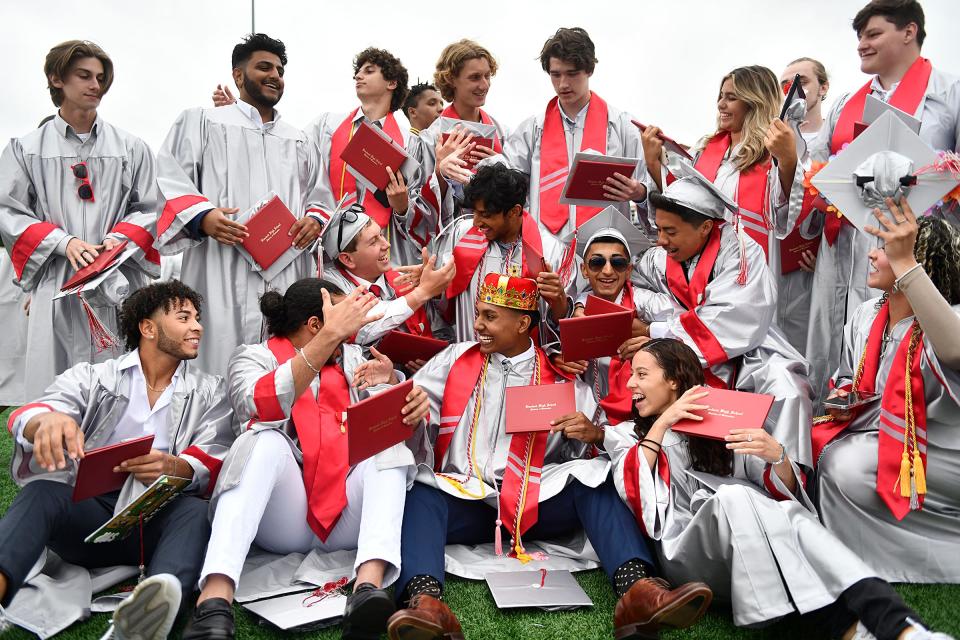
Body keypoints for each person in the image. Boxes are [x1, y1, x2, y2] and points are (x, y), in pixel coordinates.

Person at [387, 272, 712, 640]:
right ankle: (427, 604)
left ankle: (638, 591)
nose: (478, 325)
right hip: (472, 496)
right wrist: (403, 395)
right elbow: (416, 407)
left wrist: (587, 432)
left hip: (535, 501)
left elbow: (591, 437)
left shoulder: (560, 374)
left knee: (595, 479)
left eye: (490, 317)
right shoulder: (455, 360)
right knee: (422, 492)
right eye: (478, 314)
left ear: (523, 323)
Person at [610, 337, 953, 640]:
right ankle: (828, 620)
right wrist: (665, 422)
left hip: (750, 540)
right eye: (631, 375)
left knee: (791, 515)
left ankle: (903, 628)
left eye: (641, 374)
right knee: (734, 495)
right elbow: (635, 496)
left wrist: (778, 457)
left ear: (673, 381)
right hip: (689, 557)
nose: (631, 385)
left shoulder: (719, 423)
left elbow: (779, 488)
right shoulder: (627, 435)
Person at [182, 279, 431, 640]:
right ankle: (214, 601)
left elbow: (386, 433)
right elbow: (258, 405)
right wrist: (325, 343)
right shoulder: (252, 357)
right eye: (345, 317)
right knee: (262, 440)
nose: (355, 327)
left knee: (389, 446)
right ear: (317, 325)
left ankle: (368, 590)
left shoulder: (355, 359)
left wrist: (397, 391)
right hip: (284, 517)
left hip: (346, 514)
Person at [0, 280, 236, 639]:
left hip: (157, 517)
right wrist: (44, 421)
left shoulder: (210, 390)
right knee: (43, 493)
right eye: (184, 317)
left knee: (194, 512)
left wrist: (177, 466)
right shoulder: (95, 377)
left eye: (197, 318)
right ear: (148, 328)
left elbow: (218, 449)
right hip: (89, 517)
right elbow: (31, 412)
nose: (197, 326)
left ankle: (151, 612)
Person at [803, 0, 960, 406]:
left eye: (873, 34)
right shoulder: (844, 104)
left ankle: (894, 430)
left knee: (903, 348)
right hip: (845, 247)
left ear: (909, 31)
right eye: (859, 37)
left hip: (913, 249)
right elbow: (817, 169)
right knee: (834, 344)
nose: (862, 45)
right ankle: (833, 427)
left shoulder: (950, 95)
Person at [156, 33, 329, 377]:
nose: (274, 76)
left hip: (285, 266)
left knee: (282, 359)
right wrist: (203, 217)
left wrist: (313, 219)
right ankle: (209, 430)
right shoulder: (202, 122)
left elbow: (320, 195)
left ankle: (278, 428)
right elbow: (168, 177)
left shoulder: (299, 139)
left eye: (280, 70)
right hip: (221, 262)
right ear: (238, 75)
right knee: (217, 355)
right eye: (263, 66)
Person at [0, 40, 161, 399]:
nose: (95, 86)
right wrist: (63, 242)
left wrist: (118, 240)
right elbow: (7, 210)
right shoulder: (26, 149)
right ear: (57, 79)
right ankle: (55, 455)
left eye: (101, 78)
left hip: (116, 280)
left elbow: (151, 206)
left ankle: (113, 456)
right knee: (55, 387)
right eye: (84, 76)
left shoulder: (131, 147)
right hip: (58, 282)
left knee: (118, 383)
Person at [815, 198, 960, 584]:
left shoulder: (949, 319)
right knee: (811, 446)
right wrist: (843, 398)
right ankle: (833, 544)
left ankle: (928, 556)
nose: (872, 255)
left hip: (941, 451)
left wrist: (904, 261)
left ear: (918, 262)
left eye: (885, 250)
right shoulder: (867, 314)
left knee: (843, 463)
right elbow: (847, 375)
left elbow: (955, 351)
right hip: (877, 436)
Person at [631, 169, 813, 466]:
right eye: (659, 229)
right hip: (682, 346)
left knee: (787, 389)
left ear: (705, 228)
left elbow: (732, 318)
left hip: (749, 351)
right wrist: (667, 312)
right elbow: (635, 287)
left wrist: (656, 330)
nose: (661, 240)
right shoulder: (662, 257)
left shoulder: (740, 252)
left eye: (670, 231)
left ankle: (785, 482)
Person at [641, 65, 804, 263]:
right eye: (721, 96)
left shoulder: (772, 153)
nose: (721, 104)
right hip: (705, 263)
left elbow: (789, 210)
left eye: (731, 98)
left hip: (751, 265)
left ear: (755, 102)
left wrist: (787, 160)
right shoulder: (705, 149)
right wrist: (653, 162)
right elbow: (679, 206)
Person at [503, 27, 648, 241]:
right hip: (545, 249)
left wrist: (639, 193)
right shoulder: (532, 129)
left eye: (572, 74)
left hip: (603, 255)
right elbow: (508, 184)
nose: (563, 84)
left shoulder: (623, 127)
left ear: (589, 70)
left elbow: (650, 188)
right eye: (556, 74)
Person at [299, 47, 427, 267]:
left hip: (386, 249)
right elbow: (295, 155)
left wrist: (402, 206)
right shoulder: (328, 126)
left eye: (369, 71)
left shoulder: (410, 142)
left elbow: (424, 210)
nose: (358, 76)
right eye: (358, 72)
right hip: (332, 248)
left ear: (392, 83)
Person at [432, 164, 568, 343]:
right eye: (474, 212)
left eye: (485, 215)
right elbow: (443, 306)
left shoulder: (552, 251)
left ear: (514, 212)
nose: (477, 222)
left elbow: (564, 329)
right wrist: (432, 286)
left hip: (524, 367)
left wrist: (560, 301)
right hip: (470, 362)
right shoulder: (462, 235)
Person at [550, 207, 652, 427]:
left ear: (629, 270)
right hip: (586, 409)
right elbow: (549, 347)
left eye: (617, 263)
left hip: (639, 416)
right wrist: (557, 358)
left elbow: (682, 331)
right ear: (584, 270)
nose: (607, 271)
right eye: (597, 263)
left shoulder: (648, 304)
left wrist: (650, 337)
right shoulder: (576, 308)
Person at [321, 203, 455, 362]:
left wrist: (432, 362)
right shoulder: (330, 289)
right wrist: (423, 292)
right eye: (373, 242)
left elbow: (442, 330)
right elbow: (364, 326)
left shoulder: (402, 278)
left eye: (382, 235)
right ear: (347, 259)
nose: (386, 245)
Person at [409, 39, 508, 230]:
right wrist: (440, 173)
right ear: (451, 79)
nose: (484, 85)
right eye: (475, 77)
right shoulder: (430, 139)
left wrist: (502, 166)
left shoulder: (503, 134)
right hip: (451, 241)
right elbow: (414, 212)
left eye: (487, 76)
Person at [776, 57, 831, 356]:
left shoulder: (836, 141)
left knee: (816, 347)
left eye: (802, 81)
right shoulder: (770, 139)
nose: (793, 89)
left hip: (822, 260)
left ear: (824, 87)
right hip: (777, 260)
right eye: (786, 84)